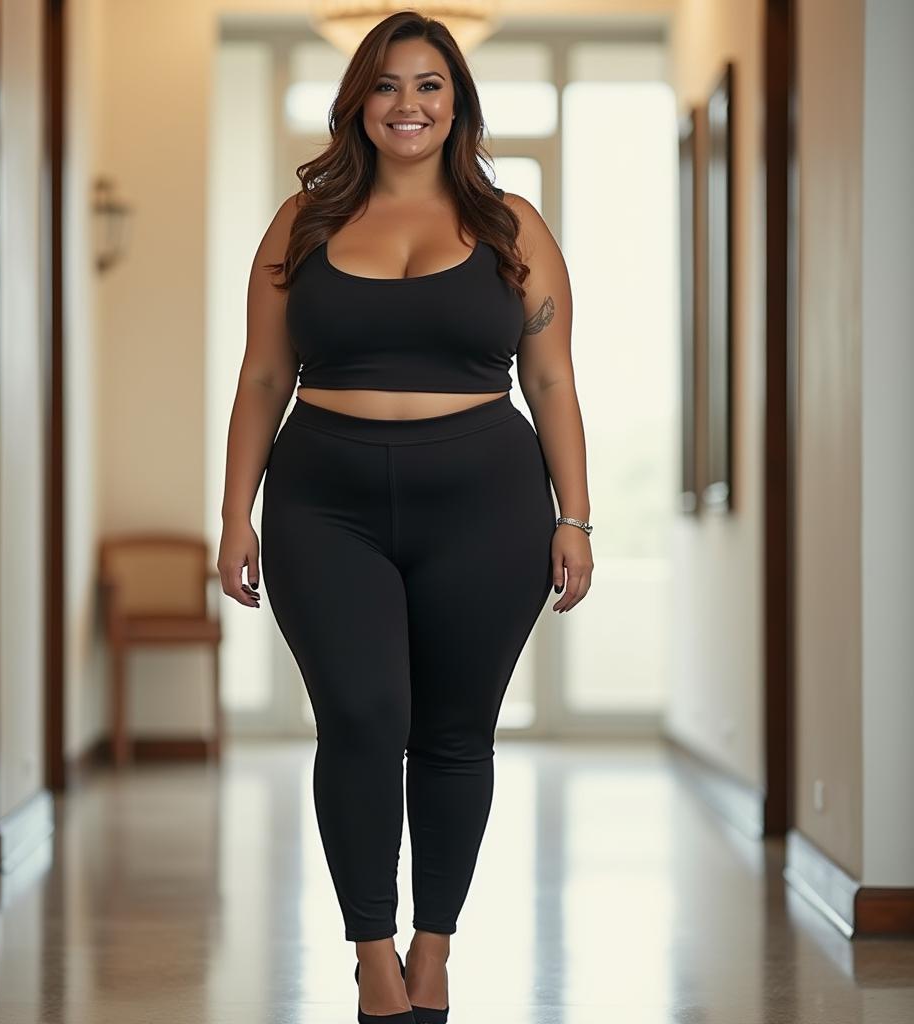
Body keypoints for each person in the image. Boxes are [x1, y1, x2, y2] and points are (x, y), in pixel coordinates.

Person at [217, 11, 592, 1023]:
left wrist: (577, 518)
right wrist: (233, 514)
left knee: (456, 733)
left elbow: (551, 379)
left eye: (429, 85)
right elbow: (261, 374)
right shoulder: (301, 225)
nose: (408, 105)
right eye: (386, 86)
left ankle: (435, 947)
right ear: (358, 105)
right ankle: (371, 951)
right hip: (322, 500)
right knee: (360, 718)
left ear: (456, 103)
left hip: (488, 500)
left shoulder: (513, 225)